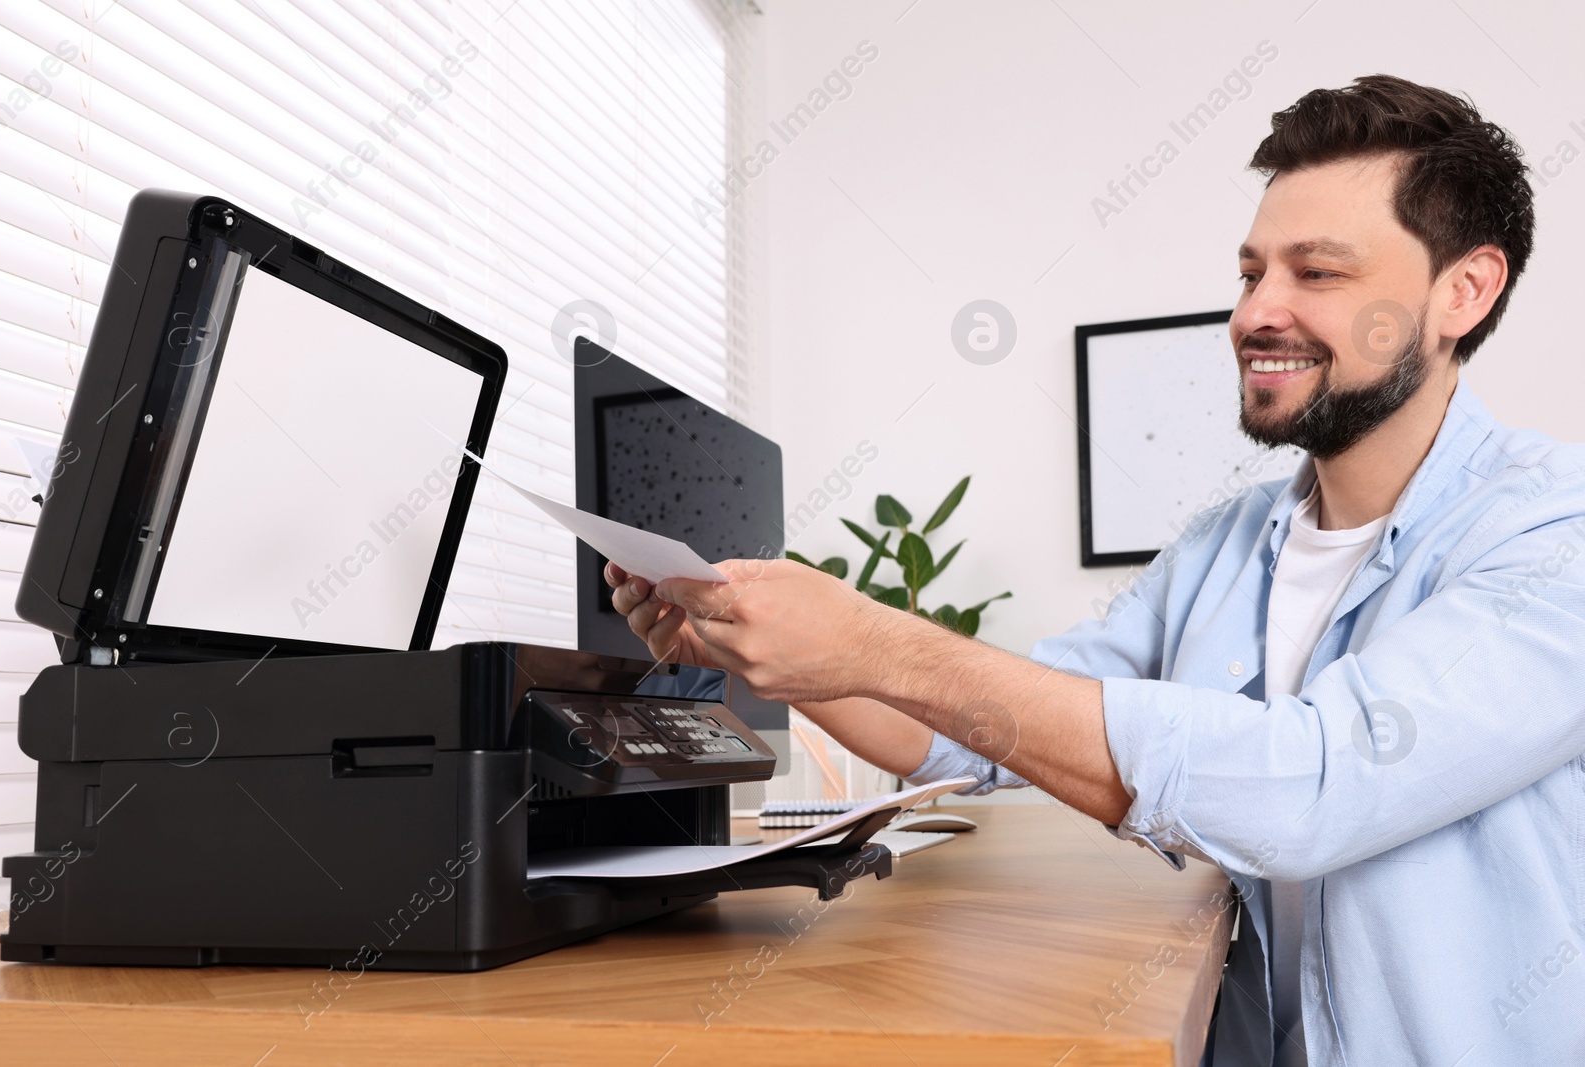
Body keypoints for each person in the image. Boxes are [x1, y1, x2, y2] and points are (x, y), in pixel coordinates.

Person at [605, 75, 1585, 1066]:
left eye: (1316, 274)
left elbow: (1313, 787)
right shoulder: (1229, 542)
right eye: (1251, 274)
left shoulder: (1552, 530)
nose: (1257, 313)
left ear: (1464, 289)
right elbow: (977, 736)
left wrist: (877, 640)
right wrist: (772, 649)